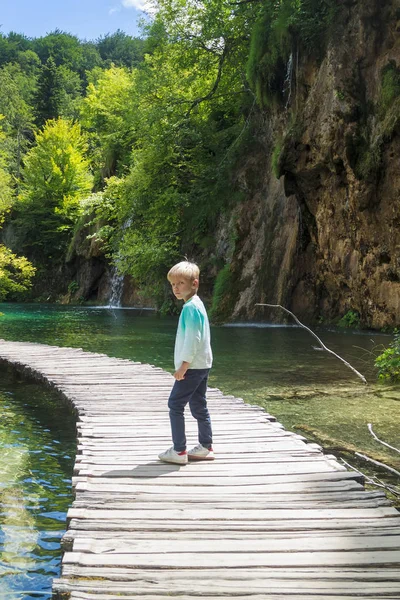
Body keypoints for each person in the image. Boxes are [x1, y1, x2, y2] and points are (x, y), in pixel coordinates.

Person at [158, 260, 214, 465]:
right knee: (199, 404)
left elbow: (193, 339)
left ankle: (179, 450)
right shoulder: (197, 305)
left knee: (175, 404)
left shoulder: (190, 308)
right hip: (203, 364)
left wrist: (183, 366)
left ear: (194, 284)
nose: (176, 288)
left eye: (181, 283)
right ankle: (206, 447)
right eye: (173, 284)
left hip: (192, 366)